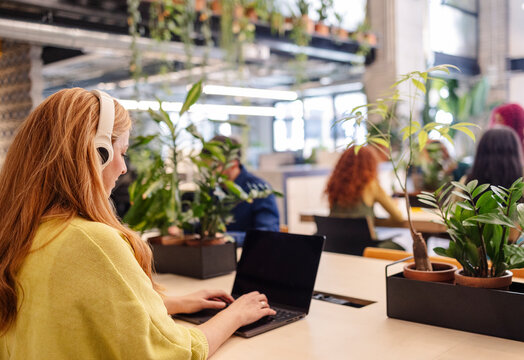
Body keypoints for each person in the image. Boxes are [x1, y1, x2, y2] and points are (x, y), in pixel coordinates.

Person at [0, 88, 275, 359]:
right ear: (97, 154)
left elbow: (65, 311)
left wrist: (171, 304)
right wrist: (235, 315)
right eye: (122, 153)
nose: (122, 168)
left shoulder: (22, 234)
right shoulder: (91, 241)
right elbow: (175, 352)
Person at [210, 135, 280, 233]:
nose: (209, 172)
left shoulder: (259, 189)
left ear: (233, 164)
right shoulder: (211, 191)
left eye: (214, 166)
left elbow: (267, 233)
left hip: (247, 248)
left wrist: (226, 239)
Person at [325, 145, 403, 224]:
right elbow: (398, 217)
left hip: (335, 236)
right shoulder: (371, 185)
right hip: (364, 236)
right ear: (370, 163)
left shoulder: (335, 185)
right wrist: (373, 222)